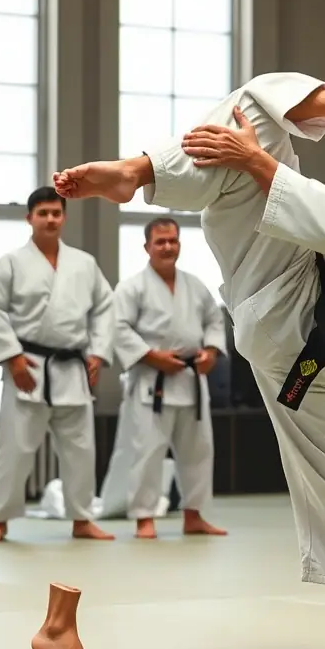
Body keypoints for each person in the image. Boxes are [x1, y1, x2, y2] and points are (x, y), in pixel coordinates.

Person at [32, 46, 325, 649]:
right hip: (305, 325)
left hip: (298, 308)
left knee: (254, 129)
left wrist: (259, 161)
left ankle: (139, 174)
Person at [0, 187, 115, 543]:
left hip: (72, 367)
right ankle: (0, 520)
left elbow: (105, 308)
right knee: (14, 448)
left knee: (81, 450)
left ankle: (82, 518)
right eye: (43, 213)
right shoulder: (11, 262)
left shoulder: (84, 263)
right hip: (28, 367)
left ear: (64, 217)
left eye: (56, 213)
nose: (51, 219)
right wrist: (12, 357)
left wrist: (98, 353)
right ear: (30, 218)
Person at [100, 217, 228, 539]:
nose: (167, 246)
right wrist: (151, 356)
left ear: (180, 244)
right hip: (150, 383)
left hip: (189, 379)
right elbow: (118, 328)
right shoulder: (132, 287)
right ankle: (144, 517)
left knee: (198, 452)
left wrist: (211, 352)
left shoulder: (196, 286)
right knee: (147, 452)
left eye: (172, 241)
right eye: (160, 242)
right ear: (147, 247)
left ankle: (194, 515)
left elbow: (214, 320)